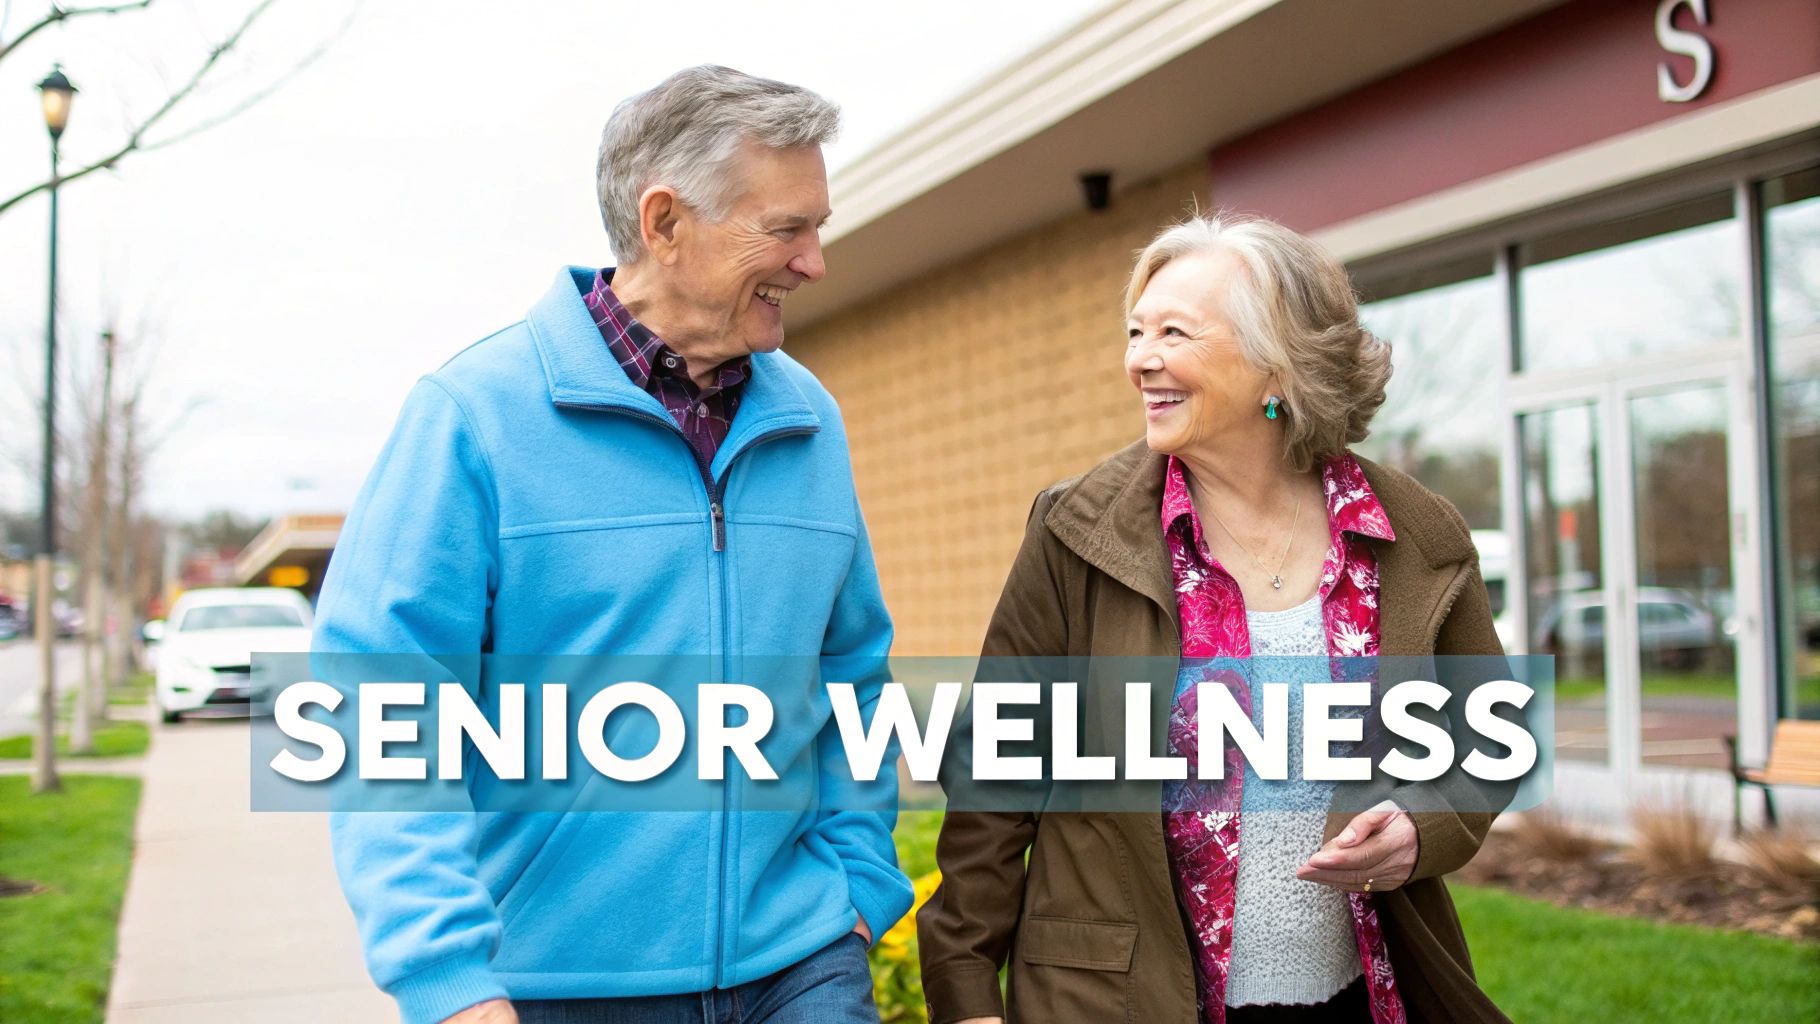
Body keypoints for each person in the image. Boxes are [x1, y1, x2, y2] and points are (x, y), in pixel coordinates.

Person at [316, 66, 911, 1024]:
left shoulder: (809, 419)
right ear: (665, 221)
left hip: (801, 969)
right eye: (786, 228)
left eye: (818, 228)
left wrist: (859, 879)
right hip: (558, 989)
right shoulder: (474, 417)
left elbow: (851, 673)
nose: (814, 262)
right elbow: (382, 701)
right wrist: (444, 974)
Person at [917, 214, 1514, 1023]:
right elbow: (996, 772)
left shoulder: (1414, 532)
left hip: (1358, 997)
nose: (1140, 360)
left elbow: (1488, 737)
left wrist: (1423, 825)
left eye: (1174, 333)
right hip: (1120, 1001)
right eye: (1136, 332)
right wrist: (965, 996)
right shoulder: (1075, 531)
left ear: (1279, 363)